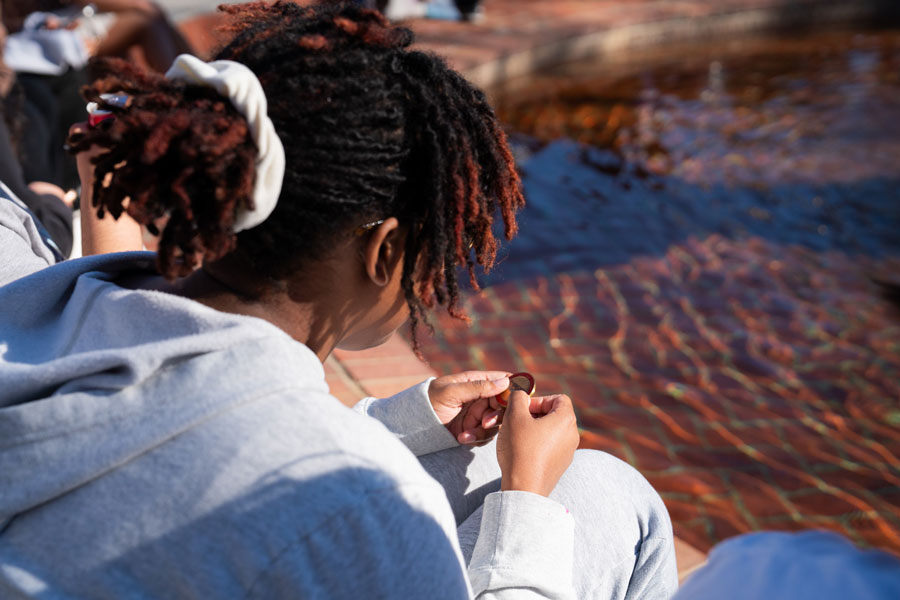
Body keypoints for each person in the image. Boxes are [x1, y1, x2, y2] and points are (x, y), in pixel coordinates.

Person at [0, 3, 677, 598]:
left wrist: (397, 421)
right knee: (612, 497)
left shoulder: (45, 305)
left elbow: (186, 438)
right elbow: (266, 478)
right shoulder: (359, 507)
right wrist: (525, 495)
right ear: (383, 253)